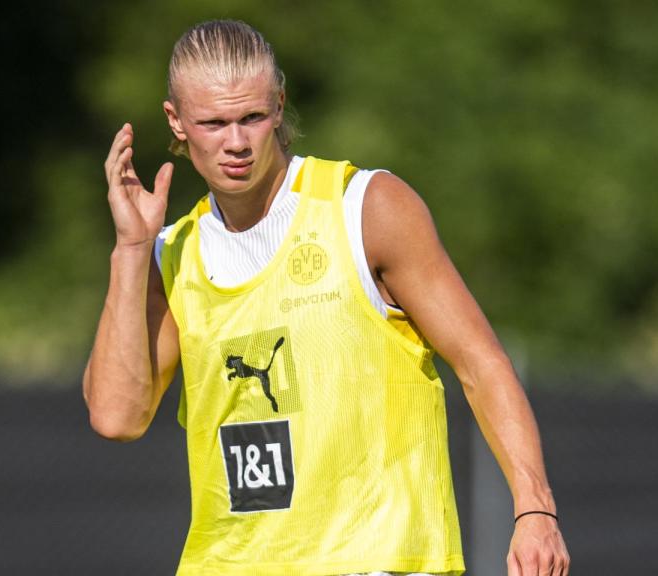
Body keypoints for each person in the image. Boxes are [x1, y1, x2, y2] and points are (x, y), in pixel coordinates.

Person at [83, 19, 569, 576]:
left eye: (253, 118)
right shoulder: (173, 253)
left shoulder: (366, 209)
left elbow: (482, 363)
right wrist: (131, 248)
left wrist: (535, 509)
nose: (236, 142)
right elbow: (117, 416)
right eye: (213, 123)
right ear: (176, 121)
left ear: (280, 103)